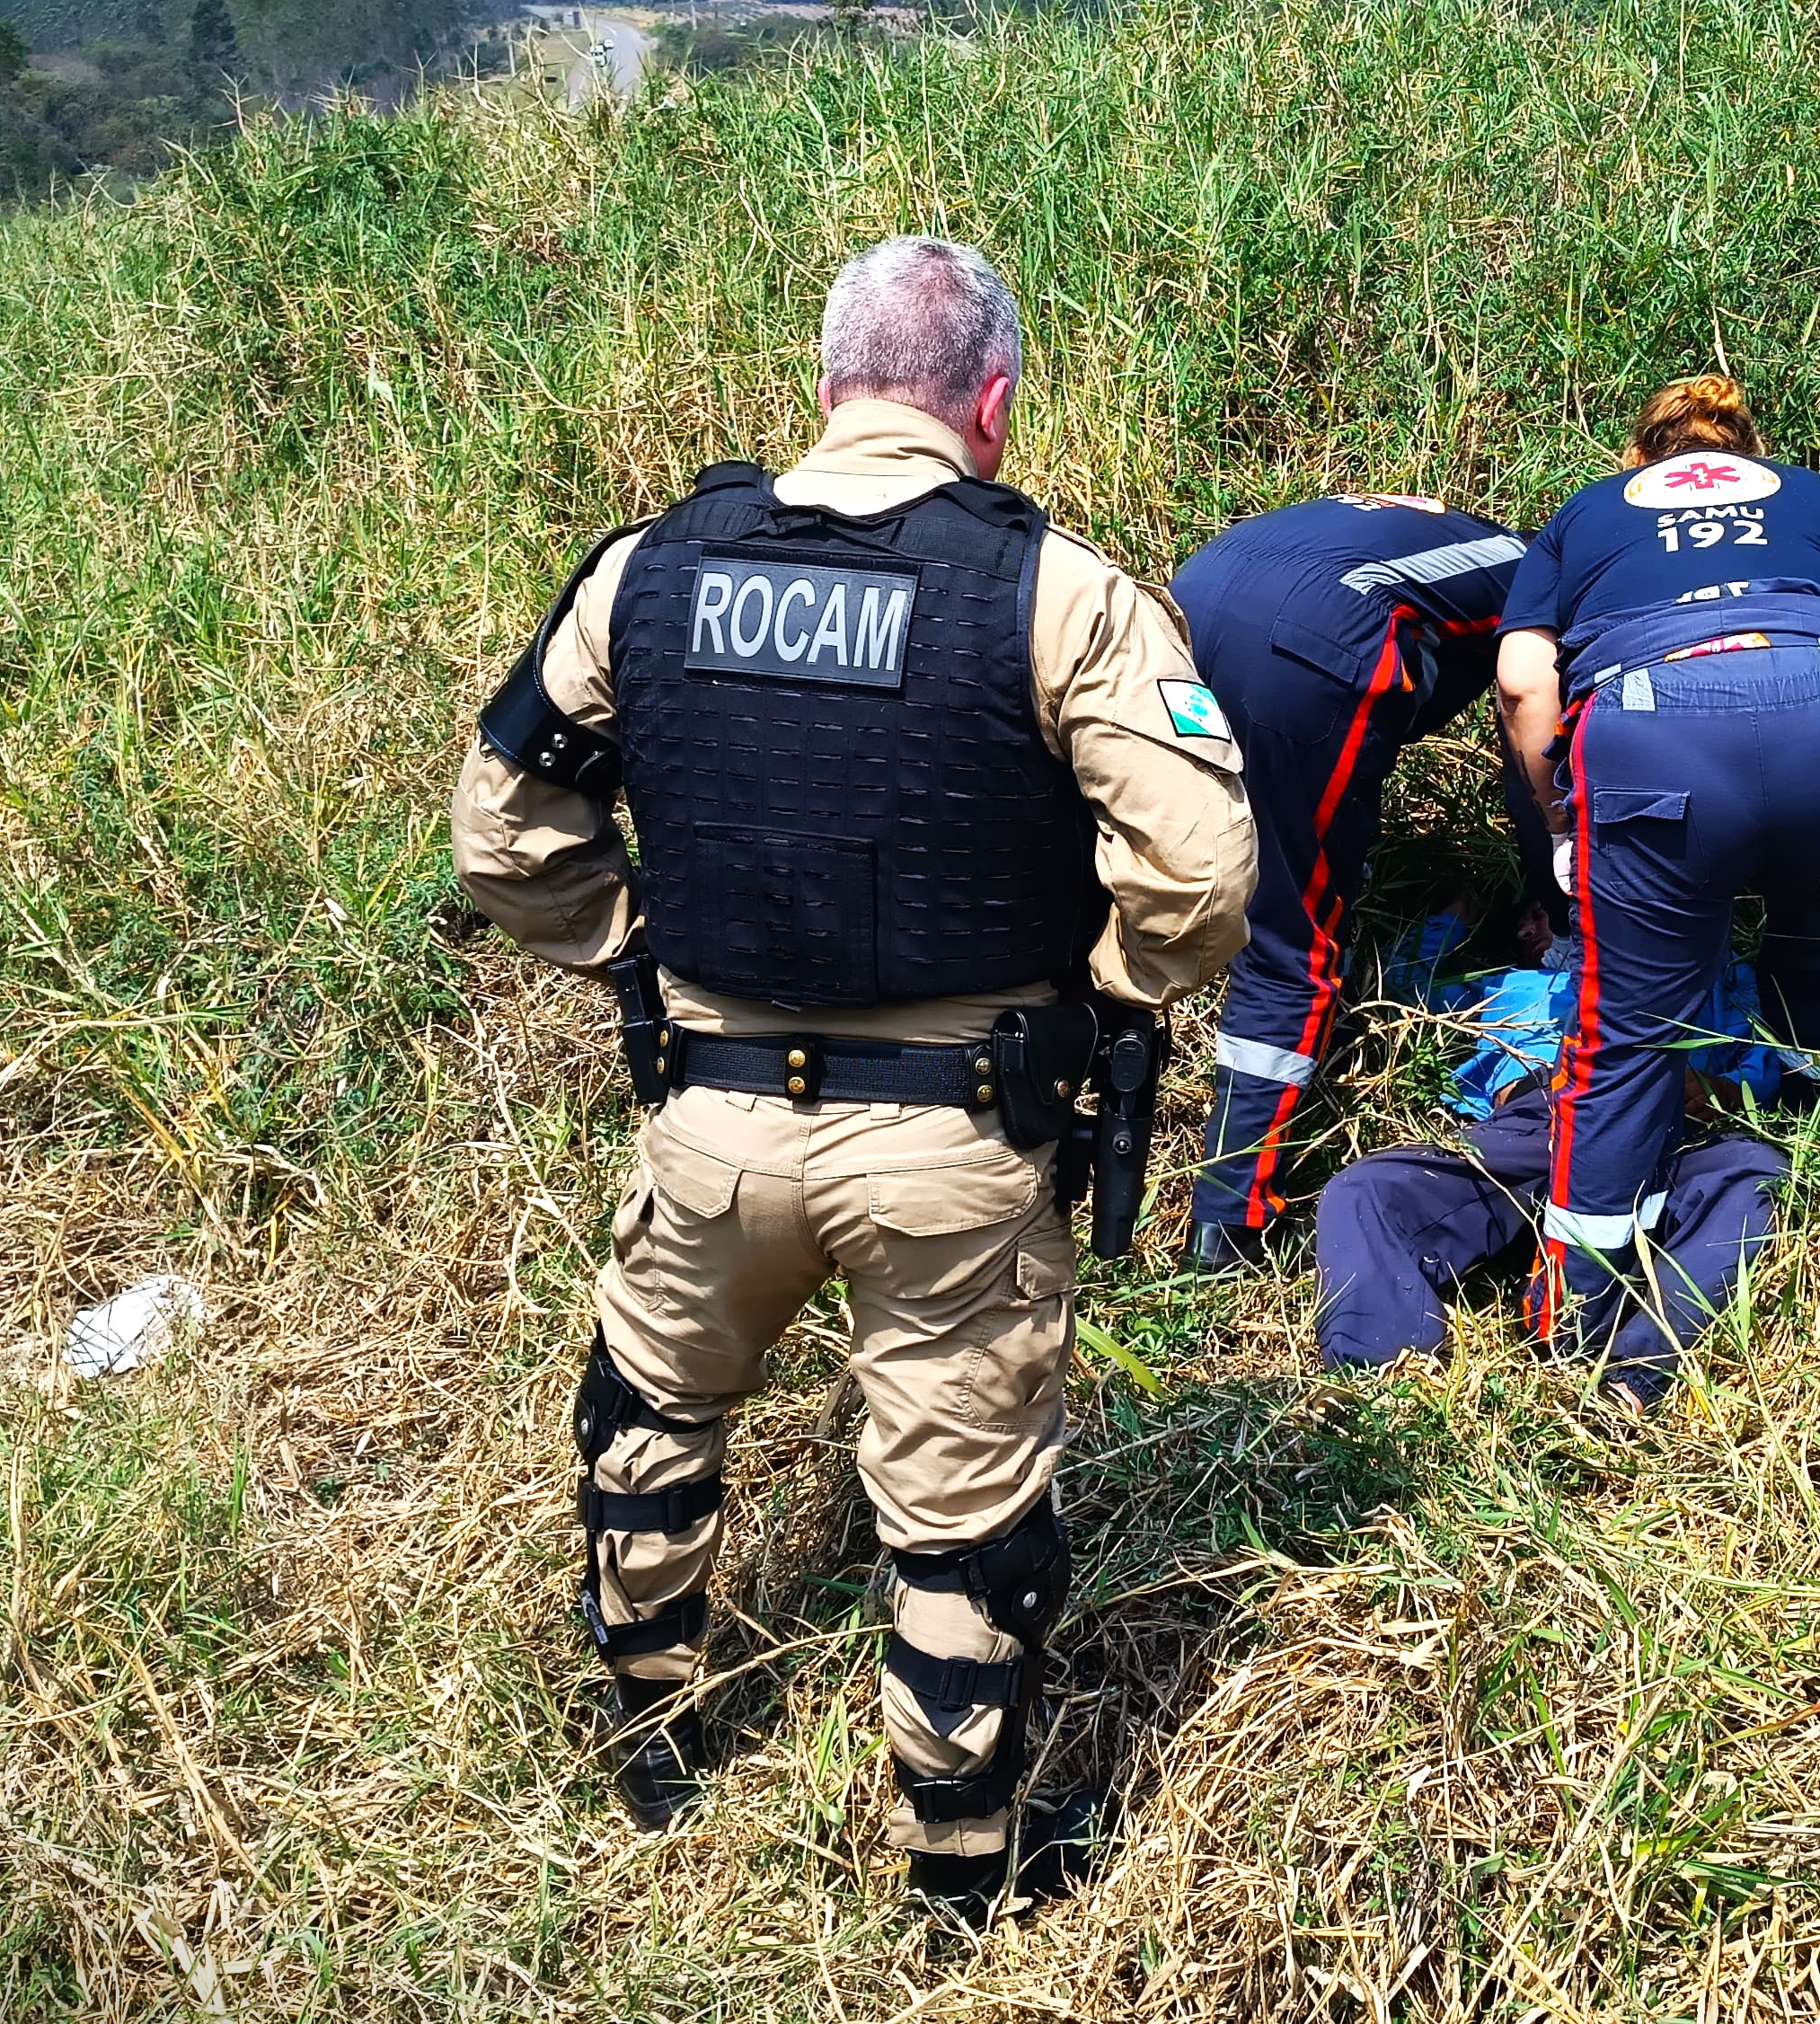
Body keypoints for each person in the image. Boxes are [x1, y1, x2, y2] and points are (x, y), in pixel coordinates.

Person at [450, 237, 1253, 1920]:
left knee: (650, 1412)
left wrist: (633, 957)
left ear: (825, 389)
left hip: (708, 1120)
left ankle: (653, 1749)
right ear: (997, 403)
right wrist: (1109, 996)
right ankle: (963, 1875)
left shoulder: (650, 571)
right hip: (956, 1133)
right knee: (960, 1516)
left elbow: (501, 831)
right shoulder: (1058, 592)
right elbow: (1198, 865)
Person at [1489, 375, 1820, 1374]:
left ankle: (1574, 1320)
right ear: (1744, 444)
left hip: (1654, 738)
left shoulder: (1587, 516)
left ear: (1639, 454)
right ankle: (1818, 1181)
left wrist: (1561, 805)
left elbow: (1525, 681)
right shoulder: (1816, 496)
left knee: (1625, 1034)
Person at [1164, 492, 1546, 1272]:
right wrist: (1553, 882)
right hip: (1308, 650)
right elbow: (1534, 734)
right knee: (1290, 937)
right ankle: (1228, 1218)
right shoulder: (1546, 581)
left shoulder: (1413, 529)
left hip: (1183, 613)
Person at [1315, 949, 1788, 1406]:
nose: (1534, 924)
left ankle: (1633, 1380)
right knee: (1366, 1189)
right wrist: (1454, 910)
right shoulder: (1515, 984)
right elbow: (1402, 980)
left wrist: (1720, 1090)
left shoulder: (1722, 981)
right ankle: (1377, 1371)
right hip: (1536, 1123)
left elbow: (1776, 1065)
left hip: (1669, 1130)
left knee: (1757, 1174)